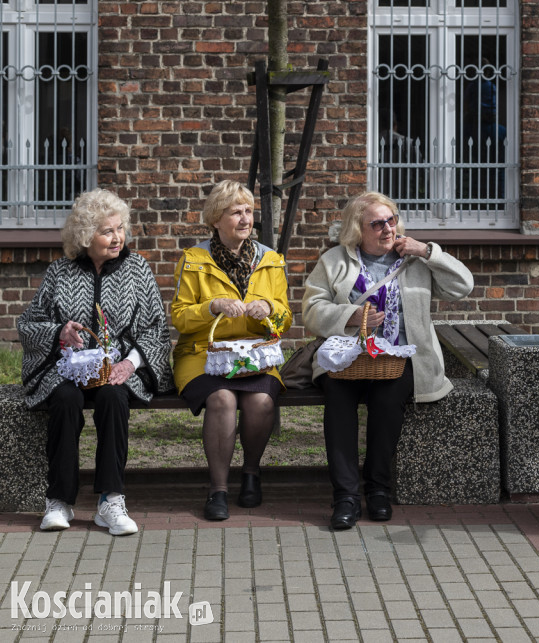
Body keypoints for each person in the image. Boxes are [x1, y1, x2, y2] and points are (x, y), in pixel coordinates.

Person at [302, 192, 474, 531]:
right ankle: (346, 497)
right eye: (377, 223)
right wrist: (350, 316)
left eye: (391, 221)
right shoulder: (335, 260)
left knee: (388, 402)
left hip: (399, 358)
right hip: (346, 357)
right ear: (357, 229)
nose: (387, 229)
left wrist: (427, 251)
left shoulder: (414, 261)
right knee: (338, 404)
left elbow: (463, 286)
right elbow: (310, 310)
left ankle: (378, 489)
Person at [18, 189, 172, 535]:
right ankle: (59, 501)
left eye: (119, 228)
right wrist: (59, 332)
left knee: (114, 397)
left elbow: (156, 328)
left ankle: (110, 500)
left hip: (116, 370)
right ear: (86, 236)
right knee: (65, 400)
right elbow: (28, 324)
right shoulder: (60, 272)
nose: (117, 237)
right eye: (107, 231)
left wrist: (130, 365)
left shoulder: (137, 269)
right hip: (66, 370)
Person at [170, 179, 292, 521]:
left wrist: (269, 308)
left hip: (254, 353)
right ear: (215, 219)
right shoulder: (194, 259)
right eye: (235, 212)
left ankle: (251, 474)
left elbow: (285, 317)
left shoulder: (271, 260)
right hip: (201, 354)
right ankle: (218, 489)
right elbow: (179, 317)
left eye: (248, 211)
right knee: (222, 399)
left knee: (260, 401)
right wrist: (213, 307)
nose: (245, 219)